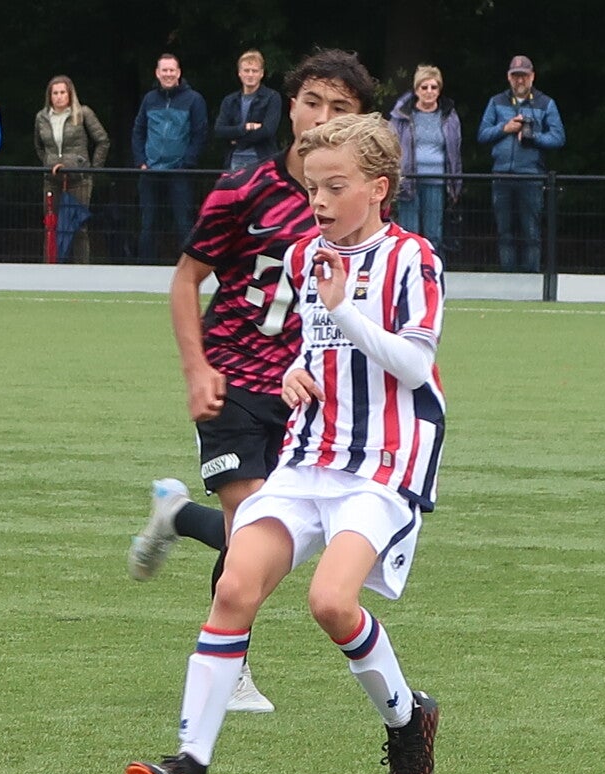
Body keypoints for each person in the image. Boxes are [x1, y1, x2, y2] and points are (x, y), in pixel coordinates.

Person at [125, 112, 446, 774]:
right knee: (235, 585)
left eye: (335, 187)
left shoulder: (413, 258)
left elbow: (415, 364)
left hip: (382, 463)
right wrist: (296, 372)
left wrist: (345, 311)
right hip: (308, 456)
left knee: (331, 601)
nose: (319, 202)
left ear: (378, 188)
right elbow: (313, 345)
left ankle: (407, 721)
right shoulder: (304, 256)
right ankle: (190, 767)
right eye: (311, 188)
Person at [127, 48, 378, 715]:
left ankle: (177, 515)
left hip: (305, 396)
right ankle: (230, 667)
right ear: (288, 107)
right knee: (254, 523)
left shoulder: (358, 205)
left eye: (341, 108)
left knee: (278, 537)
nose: (322, 118)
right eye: (312, 102)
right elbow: (186, 280)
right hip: (233, 379)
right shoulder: (244, 189)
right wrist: (197, 368)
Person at [478, 55, 564, 273]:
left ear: (532, 76)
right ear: (509, 77)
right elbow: (482, 134)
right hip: (501, 175)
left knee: (531, 231)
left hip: (531, 176)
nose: (520, 80)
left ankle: (532, 279)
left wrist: (533, 137)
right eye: (516, 76)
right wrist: (504, 128)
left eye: (524, 76)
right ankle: (508, 278)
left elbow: (558, 138)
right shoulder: (496, 101)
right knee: (504, 231)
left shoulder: (546, 103)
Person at [133, 54, 209, 263]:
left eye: (171, 70)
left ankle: (188, 268)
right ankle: (144, 268)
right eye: (164, 70)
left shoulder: (194, 99)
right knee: (148, 223)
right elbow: (138, 131)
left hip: (179, 172)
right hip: (150, 171)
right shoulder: (149, 99)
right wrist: (141, 161)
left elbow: (200, 134)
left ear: (179, 72)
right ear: (157, 73)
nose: (168, 74)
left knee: (183, 223)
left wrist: (187, 164)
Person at [32, 75, 108, 263]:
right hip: (52, 178)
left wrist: (92, 169)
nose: (59, 97)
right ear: (50, 96)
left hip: (79, 179)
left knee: (78, 226)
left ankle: (81, 269)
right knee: (51, 225)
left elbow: (102, 140)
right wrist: (48, 162)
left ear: (70, 94)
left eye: (62, 93)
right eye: (55, 93)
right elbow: (39, 146)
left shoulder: (82, 113)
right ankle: (50, 268)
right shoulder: (42, 117)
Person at [389, 65, 462, 251]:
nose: (429, 91)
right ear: (416, 90)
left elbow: (455, 151)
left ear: (439, 90)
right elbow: (390, 145)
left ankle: (431, 266)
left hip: (437, 180)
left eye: (434, 87)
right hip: (408, 180)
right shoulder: (401, 115)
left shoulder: (449, 115)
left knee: (433, 233)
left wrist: (455, 182)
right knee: (408, 232)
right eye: (424, 87)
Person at [212, 50, 280, 173]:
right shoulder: (230, 100)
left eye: (254, 71)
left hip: (262, 160)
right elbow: (219, 130)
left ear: (262, 73)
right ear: (239, 73)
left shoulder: (272, 97)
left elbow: (268, 131)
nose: (250, 74)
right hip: (234, 160)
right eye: (246, 70)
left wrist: (237, 139)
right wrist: (244, 128)